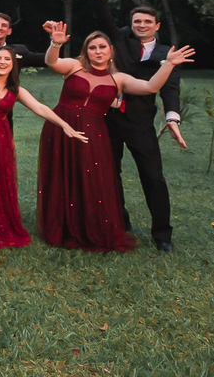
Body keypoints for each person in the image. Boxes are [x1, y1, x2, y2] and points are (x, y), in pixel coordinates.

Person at [39, 22, 193, 252]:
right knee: (62, 174)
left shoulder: (118, 79)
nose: (98, 51)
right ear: (86, 51)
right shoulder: (74, 66)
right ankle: (62, 224)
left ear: (111, 50)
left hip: (93, 132)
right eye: (92, 48)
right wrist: (55, 44)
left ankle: (85, 225)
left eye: (102, 47)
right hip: (61, 127)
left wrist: (169, 64)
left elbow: (150, 87)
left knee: (87, 178)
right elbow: (52, 62)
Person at [0, 38, 87, 249]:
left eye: (7, 59)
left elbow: (40, 108)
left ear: (13, 64)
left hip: (0, 139)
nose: (2, 62)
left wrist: (64, 125)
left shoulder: (16, 90)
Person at [86, 0, 186, 252]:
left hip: (141, 123)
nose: (141, 25)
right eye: (137, 21)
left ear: (157, 25)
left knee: (153, 177)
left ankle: (163, 235)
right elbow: (102, 15)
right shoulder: (119, 38)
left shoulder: (168, 54)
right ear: (130, 25)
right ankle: (120, 221)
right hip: (108, 119)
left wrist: (173, 118)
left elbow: (170, 89)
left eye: (147, 21)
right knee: (109, 174)